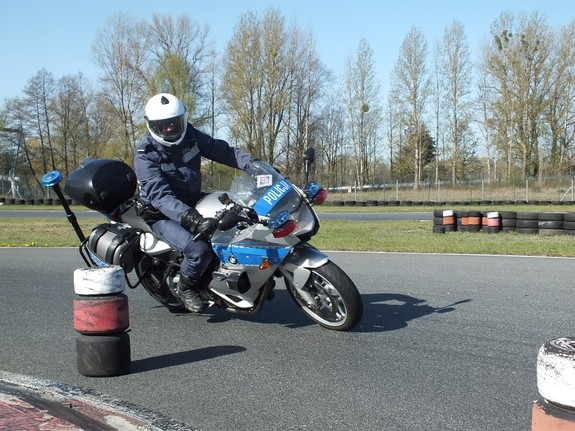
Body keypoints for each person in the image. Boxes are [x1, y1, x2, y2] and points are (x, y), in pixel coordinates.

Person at [134, 93, 253, 313]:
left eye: (174, 123)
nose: (170, 129)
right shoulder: (146, 155)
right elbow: (161, 197)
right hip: (160, 213)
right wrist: (193, 219)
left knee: (240, 216)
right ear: (152, 126)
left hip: (191, 199)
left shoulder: (190, 135)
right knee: (198, 249)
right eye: (163, 126)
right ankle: (186, 287)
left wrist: (253, 164)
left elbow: (223, 151)